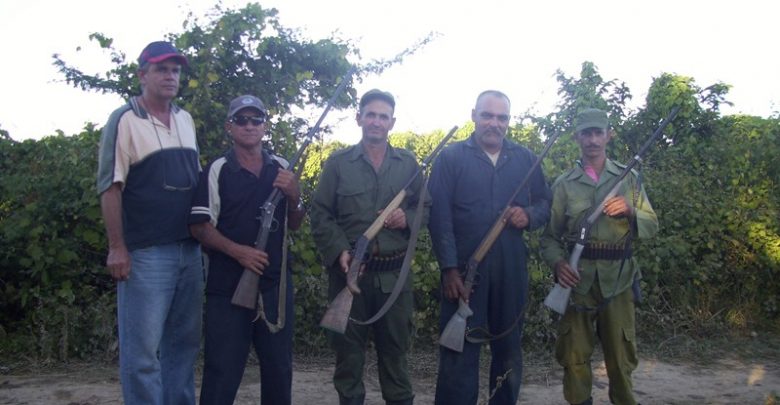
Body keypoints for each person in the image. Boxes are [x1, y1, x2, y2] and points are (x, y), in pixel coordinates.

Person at [428, 90, 551, 405]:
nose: (494, 123)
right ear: (474, 115)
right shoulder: (451, 158)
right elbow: (439, 217)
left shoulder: (525, 158)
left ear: (508, 121)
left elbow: (545, 202)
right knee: (459, 353)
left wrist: (530, 215)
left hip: (511, 271)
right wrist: (449, 269)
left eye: (501, 117)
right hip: (464, 273)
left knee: (508, 350)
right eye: (487, 115)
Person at [96, 41, 202, 404]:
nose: (170, 76)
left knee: (183, 347)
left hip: (189, 251)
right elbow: (110, 186)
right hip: (145, 255)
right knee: (142, 356)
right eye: (161, 69)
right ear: (142, 75)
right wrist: (117, 247)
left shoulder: (186, 120)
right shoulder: (124, 119)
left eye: (175, 70)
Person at [310, 89, 429, 405]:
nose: (377, 121)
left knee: (396, 359)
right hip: (350, 274)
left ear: (392, 122)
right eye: (371, 114)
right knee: (348, 361)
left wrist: (407, 217)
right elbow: (320, 213)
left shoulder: (408, 164)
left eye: (383, 116)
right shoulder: (338, 164)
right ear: (359, 118)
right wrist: (339, 251)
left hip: (394, 279)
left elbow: (426, 208)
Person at [189, 95, 306, 405]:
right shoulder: (217, 169)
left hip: (275, 288)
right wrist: (238, 252)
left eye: (256, 120)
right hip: (227, 287)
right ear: (230, 126)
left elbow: (295, 223)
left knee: (279, 370)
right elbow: (199, 227)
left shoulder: (282, 167)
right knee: (221, 371)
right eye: (242, 119)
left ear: (265, 126)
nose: (249, 125)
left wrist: (294, 196)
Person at [540, 108, 659, 405]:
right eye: (586, 133)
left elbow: (652, 224)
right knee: (574, 357)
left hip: (618, 280)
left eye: (598, 133)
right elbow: (550, 239)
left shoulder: (628, 178)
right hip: (577, 281)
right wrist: (559, 264)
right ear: (577, 137)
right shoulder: (564, 184)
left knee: (621, 358)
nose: (593, 140)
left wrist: (630, 211)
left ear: (609, 135)